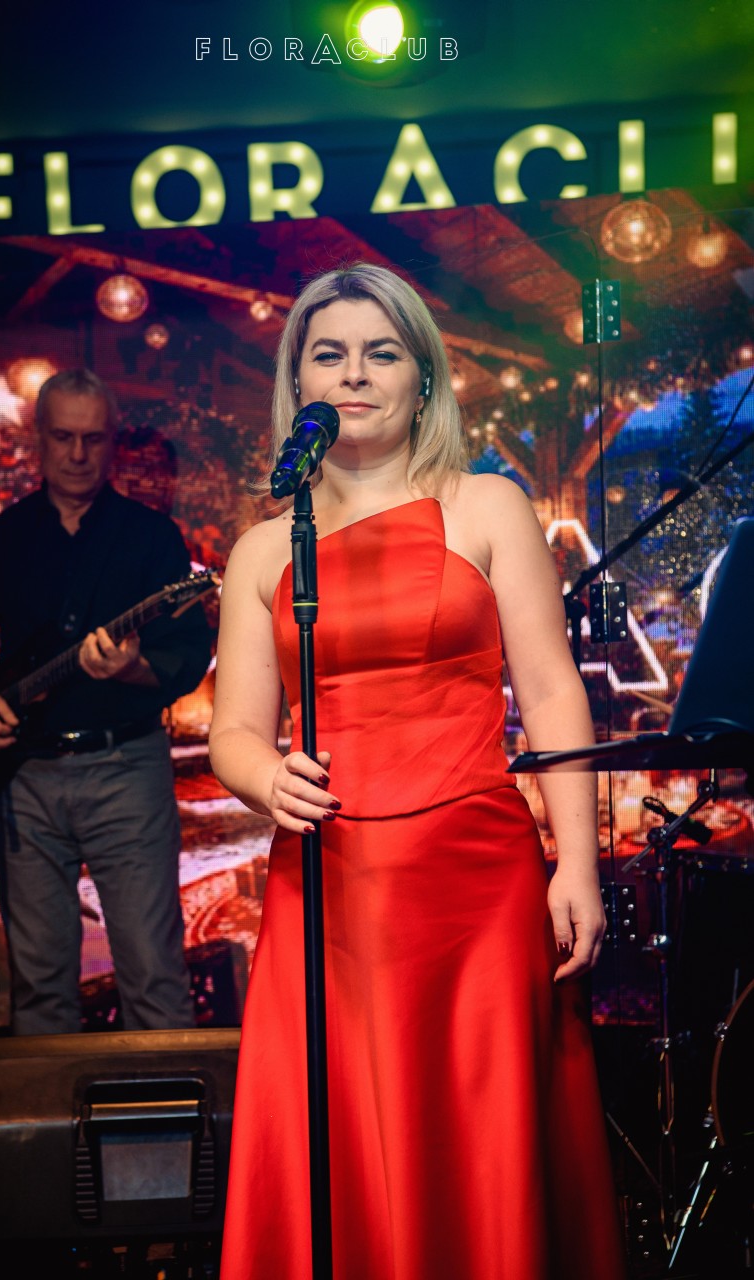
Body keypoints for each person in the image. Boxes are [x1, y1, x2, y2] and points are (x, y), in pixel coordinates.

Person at [208, 265, 628, 1279]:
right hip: (329, 890)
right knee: (341, 1138)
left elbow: (551, 691)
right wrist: (265, 776)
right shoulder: (263, 548)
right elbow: (234, 730)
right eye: (329, 353)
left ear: (422, 376)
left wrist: (576, 862)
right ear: (298, 380)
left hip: (473, 884)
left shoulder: (485, 504)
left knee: (478, 1142)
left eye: (381, 352)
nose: (354, 374)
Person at [0, 368, 212, 1035]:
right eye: (63, 437)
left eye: (93, 438)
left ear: (112, 441)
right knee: (39, 994)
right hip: (24, 779)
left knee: (155, 980)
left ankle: (161, 1110)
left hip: (126, 771)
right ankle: (52, 1112)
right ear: (39, 439)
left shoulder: (151, 538)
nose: (78, 454)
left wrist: (133, 668)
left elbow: (186, 655)